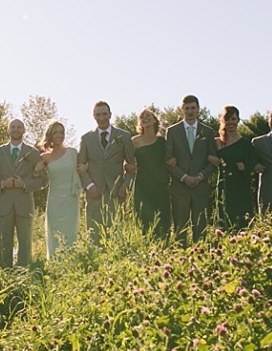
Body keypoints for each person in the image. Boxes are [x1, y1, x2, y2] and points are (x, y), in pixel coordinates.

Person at [0, 118, 46, 267]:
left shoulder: (32, 153)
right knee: (4, 240)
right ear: (8, 130)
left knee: (25, 241)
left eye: (19, 127)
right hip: (4, 203)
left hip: (24, 203)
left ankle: (23, 271)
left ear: (24, 130)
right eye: (13, 127)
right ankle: (4, 272)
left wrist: (24, 184)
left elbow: (43, 181)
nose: (16, 129)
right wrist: (2, 183)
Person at [77, 100, 135, 243]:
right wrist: (89, 186)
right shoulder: (86, 138)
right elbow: (80, 167)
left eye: (104, 114)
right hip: (94, 194)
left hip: (116, 193)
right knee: (94, 236)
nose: (101, 118)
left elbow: (132, 166)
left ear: (110, 115)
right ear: (93, 116)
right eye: (98, 115)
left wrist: (125, 186)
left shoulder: (124, 136)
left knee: (117, 236)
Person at [165, 94, 218, 242]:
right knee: (180, 229)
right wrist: (184, 177)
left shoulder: (207, 132)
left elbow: (213, 161)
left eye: (193, 108)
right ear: (181, 109)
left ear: (198, 109)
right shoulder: (172, 131)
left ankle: (200, 261)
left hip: (200, 187)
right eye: (187, 108)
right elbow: (167, 160)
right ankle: (178, 261)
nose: (190, 111)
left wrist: (200, 176)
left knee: (201, 229)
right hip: (179, 187)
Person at [33, 120, 80, 256]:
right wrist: (37, 169)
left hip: (70, 198)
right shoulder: (44, 157)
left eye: (61, 132)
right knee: (54, 232)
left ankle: (70, 263)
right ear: (50, 135)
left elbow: (82, 169)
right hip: (54, 200)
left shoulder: (72, 153)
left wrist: (85, 167)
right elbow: (35, 175)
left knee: (70, 232)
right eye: (55, 133)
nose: (59, 135)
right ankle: (54, 263)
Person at [130, 109, 172, 238]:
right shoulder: (134, 141)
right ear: (139, 123)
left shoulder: (162, 141)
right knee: (144, 219)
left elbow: (168, 160)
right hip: (143, 185)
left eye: (148, 116)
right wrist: (127, 166)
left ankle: (164, 248)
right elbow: (128, 161)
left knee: (162, 219)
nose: (145, 118)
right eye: (142, 117)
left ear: (155, 120)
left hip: (160, 184)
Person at [214, 105, 256, 229]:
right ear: (222, 121)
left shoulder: (245, 143)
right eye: (227, 119)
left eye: (233, 119)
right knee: (224, 221)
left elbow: (254, 164)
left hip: (241, 187)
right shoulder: (217, 142)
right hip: (224, 186)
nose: (230, 122)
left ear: (238, 120)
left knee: (242, 222)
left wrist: (244, 167)